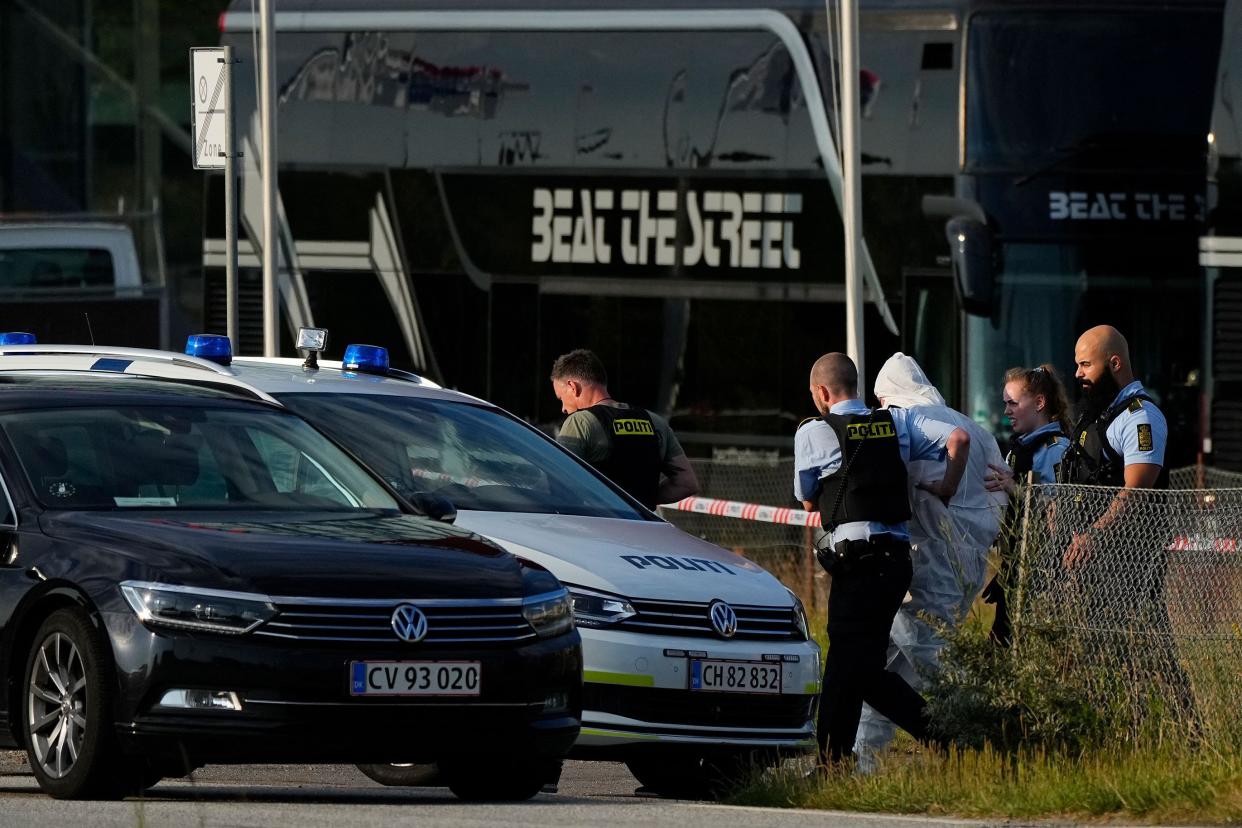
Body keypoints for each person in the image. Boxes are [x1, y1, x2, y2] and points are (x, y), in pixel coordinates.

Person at [794, 352, 971, 768]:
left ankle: (934, 736)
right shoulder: (897, 421)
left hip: (857, 563)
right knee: (860, 665)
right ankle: (841, 760)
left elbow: (805, 500)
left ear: (821, 392)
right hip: (895, 562)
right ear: (855, 385)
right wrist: (945, 486)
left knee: (848, 663)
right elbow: (959, 439)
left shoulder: (814, 431)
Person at [852, 353, 1007, 772]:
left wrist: (944, 492)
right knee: (893, 668)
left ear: (887, 395)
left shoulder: (905, 421)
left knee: (925, 660)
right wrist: (977, 540)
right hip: (967, 563)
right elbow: (1000, 492)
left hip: (923, 560)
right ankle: (862, 760)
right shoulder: (975, 426)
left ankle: (981, 743)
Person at [1057, 325, 1194, 719]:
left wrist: (1094, 536)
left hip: (1129, 561)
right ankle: (1110, 725)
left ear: (1114, 363)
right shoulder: (1098, 416)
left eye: (1086, 364)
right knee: (1095, 651)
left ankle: (1184, 730)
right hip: (1091, 563)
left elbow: (1137, 488)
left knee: (1147, 645)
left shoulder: (1140, 417)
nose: (1079, 373)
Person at [981, 364, 1073, 645]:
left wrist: (1014, 488)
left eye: (1013, 403)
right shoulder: (1019, 448)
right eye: (1004, 403)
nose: (1007, 410)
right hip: (1017, 563)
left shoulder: (1056, 449)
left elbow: (1060, 509)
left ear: (1039, 402)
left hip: (1043, 571)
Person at [550, 349, 699, 509]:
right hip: (645, 528)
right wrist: (638, 502)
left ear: (573, 387)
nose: (563, 408)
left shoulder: (580, 423)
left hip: (600, 527)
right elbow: (687, 483)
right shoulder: (655, 422)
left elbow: (561, 488)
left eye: (561, 398)